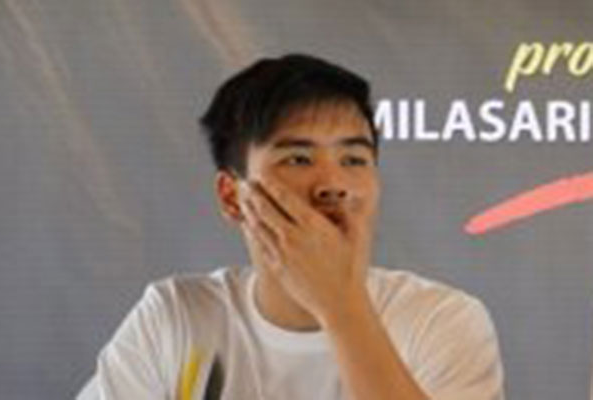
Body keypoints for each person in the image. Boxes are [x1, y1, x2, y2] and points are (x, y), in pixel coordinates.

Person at [77, 54, 504, 399]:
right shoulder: (176, 316)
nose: (333, 184)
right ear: (232, 195)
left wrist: (340, 305)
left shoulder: (441, 319)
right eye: (298, 159)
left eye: (354, 159)